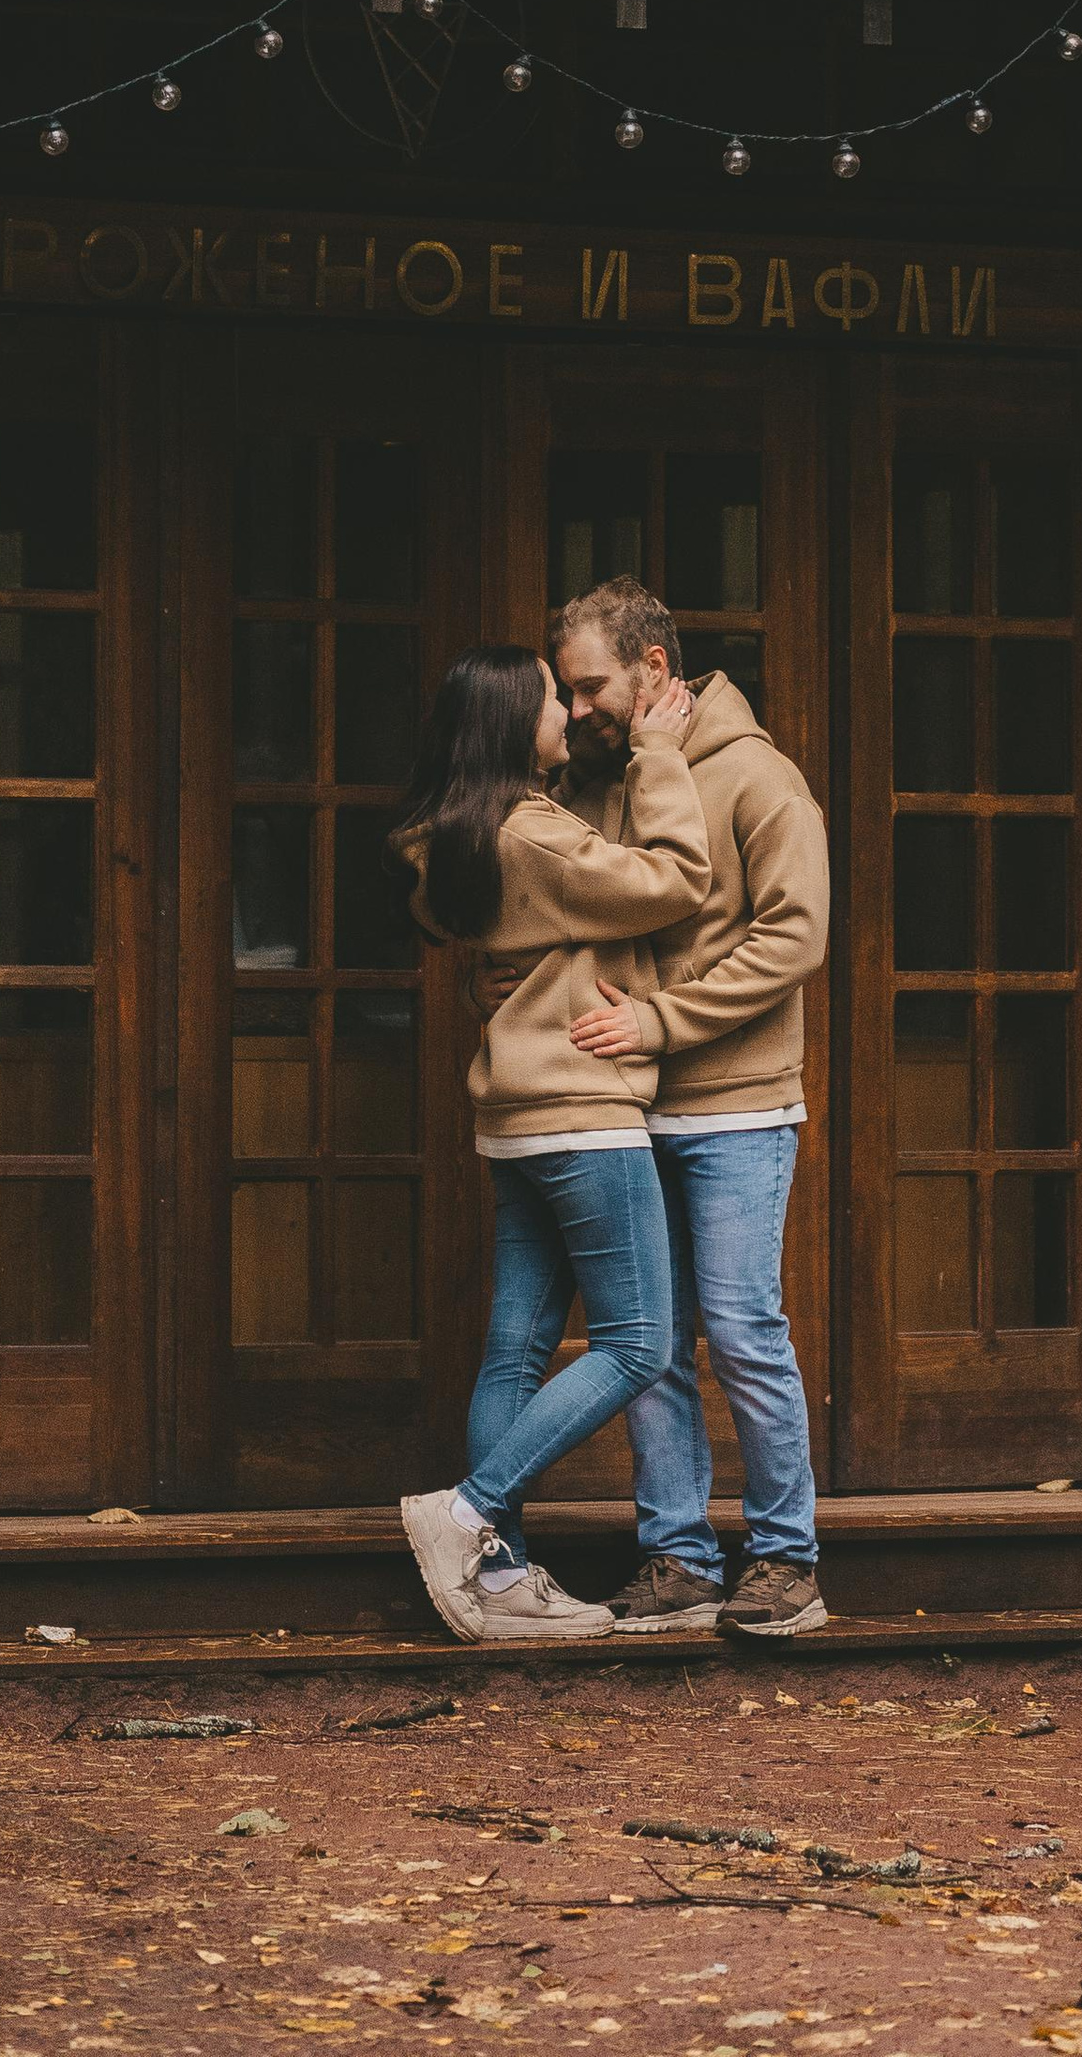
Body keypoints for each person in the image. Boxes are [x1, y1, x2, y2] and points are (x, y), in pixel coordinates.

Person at [391, 641, 709, 1645]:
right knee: (639, 1340)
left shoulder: (463, 833)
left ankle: (501, 1578)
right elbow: (675, 882)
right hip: (583, 1111)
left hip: (515, 1118)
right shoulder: (542, 839)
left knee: (516, 1348)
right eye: (547, 698)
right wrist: (656, 755)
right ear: (507, 723)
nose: (567, 712)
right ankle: (470, 1514)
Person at [549, 578, 832, 1640]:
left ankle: (787, 1563)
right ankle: (676, 1561)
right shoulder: (603, 781)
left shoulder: (759, 777)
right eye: (568, 693)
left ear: (654, 669)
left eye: (591, 688)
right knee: (650, 1344)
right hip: (621, 1111)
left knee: (745, 1330)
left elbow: (794, 938)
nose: (577, 709)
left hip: (737, 1112)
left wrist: (663, 1023)